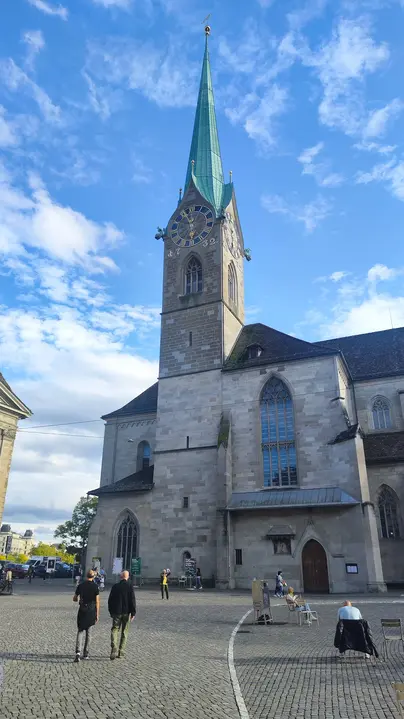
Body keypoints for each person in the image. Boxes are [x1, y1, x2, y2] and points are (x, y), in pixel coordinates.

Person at [108, 570, 136, 660]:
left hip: (116, 612)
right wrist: (133, 612)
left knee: (115, 629)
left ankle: (114, 646)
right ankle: (121, 651)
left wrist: (111, 611)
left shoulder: (115, 586)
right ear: (128, 577)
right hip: (126, 612)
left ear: (121, 577)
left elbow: (110, 600)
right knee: (124, 631)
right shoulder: (130, 586)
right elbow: (132, 600)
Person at [73, 569, 100, 663]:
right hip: (91, 611)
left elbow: (74, 598)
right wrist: (97, 613)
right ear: (93, 577)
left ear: (86, 575)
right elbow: (97, 601)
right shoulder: (95, 587)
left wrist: (77, 599)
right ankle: (86, 653)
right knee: (89, 633)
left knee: (80, 631)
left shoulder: (81, 586)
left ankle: (78, 652)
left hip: (82, 610)